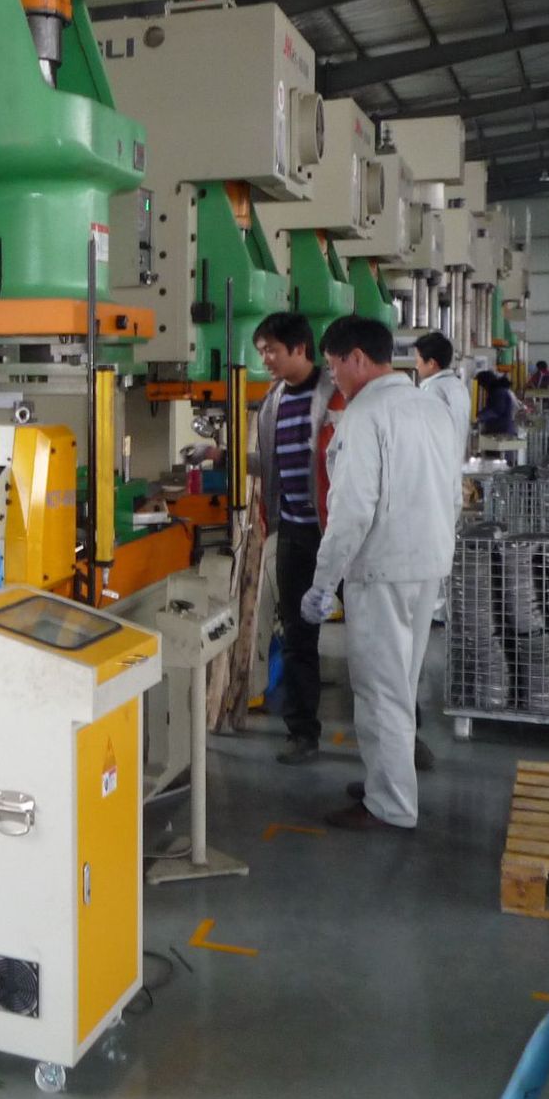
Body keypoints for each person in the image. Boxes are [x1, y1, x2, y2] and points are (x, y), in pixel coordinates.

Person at [299, 316, 459, 831]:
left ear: (357, 358)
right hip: (427, 563)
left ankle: (389, 804)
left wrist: (323, 583)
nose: (333, 378)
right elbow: (453, 491)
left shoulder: (365, 415)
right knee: (402, 684)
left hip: (382, 568)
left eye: (333, 367)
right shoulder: (430, 407)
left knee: (379, 691)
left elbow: (350, 511)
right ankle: (387, 781)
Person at [252, 311, 338, 767]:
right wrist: (222, 455)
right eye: (262, 351)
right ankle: (302, 733)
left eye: (271, 350)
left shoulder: (336, 394)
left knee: (373, 640)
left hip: (340, 535)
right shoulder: (273, 401)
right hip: (294, 533)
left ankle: (405, 735)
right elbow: (271, 462)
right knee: (298, 636)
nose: (265, 359)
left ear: (300, 348)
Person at [414, 332, 469, 469]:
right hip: (453, 466)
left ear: (431, 363)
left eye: (418, 361)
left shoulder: (433, 390)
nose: (416, 366)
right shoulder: (458, 386)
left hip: (436, 468)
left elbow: (425, 436)